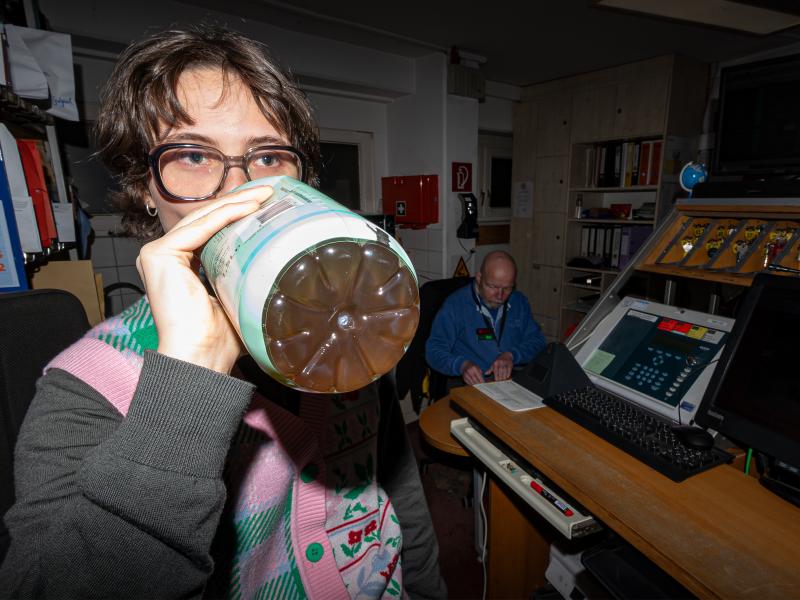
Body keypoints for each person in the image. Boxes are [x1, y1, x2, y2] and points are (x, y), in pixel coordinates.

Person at [0, 24, 446, 599]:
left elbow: (395, 486)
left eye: (266, 156)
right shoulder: (85, 388)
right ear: (144, 186)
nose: (237, 191)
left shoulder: (345, 329)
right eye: (193, 155)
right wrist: (190, 377)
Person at [425, 251, 546, 386]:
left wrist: (512, 355)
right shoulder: (455, 305)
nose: (500, 296)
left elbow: (538, 341)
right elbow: (433, 351)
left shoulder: (519, 302)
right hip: (470, 383)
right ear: (479, 278)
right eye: (493, 287)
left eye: (507, 288)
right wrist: (461, 365)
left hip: (511, 380)